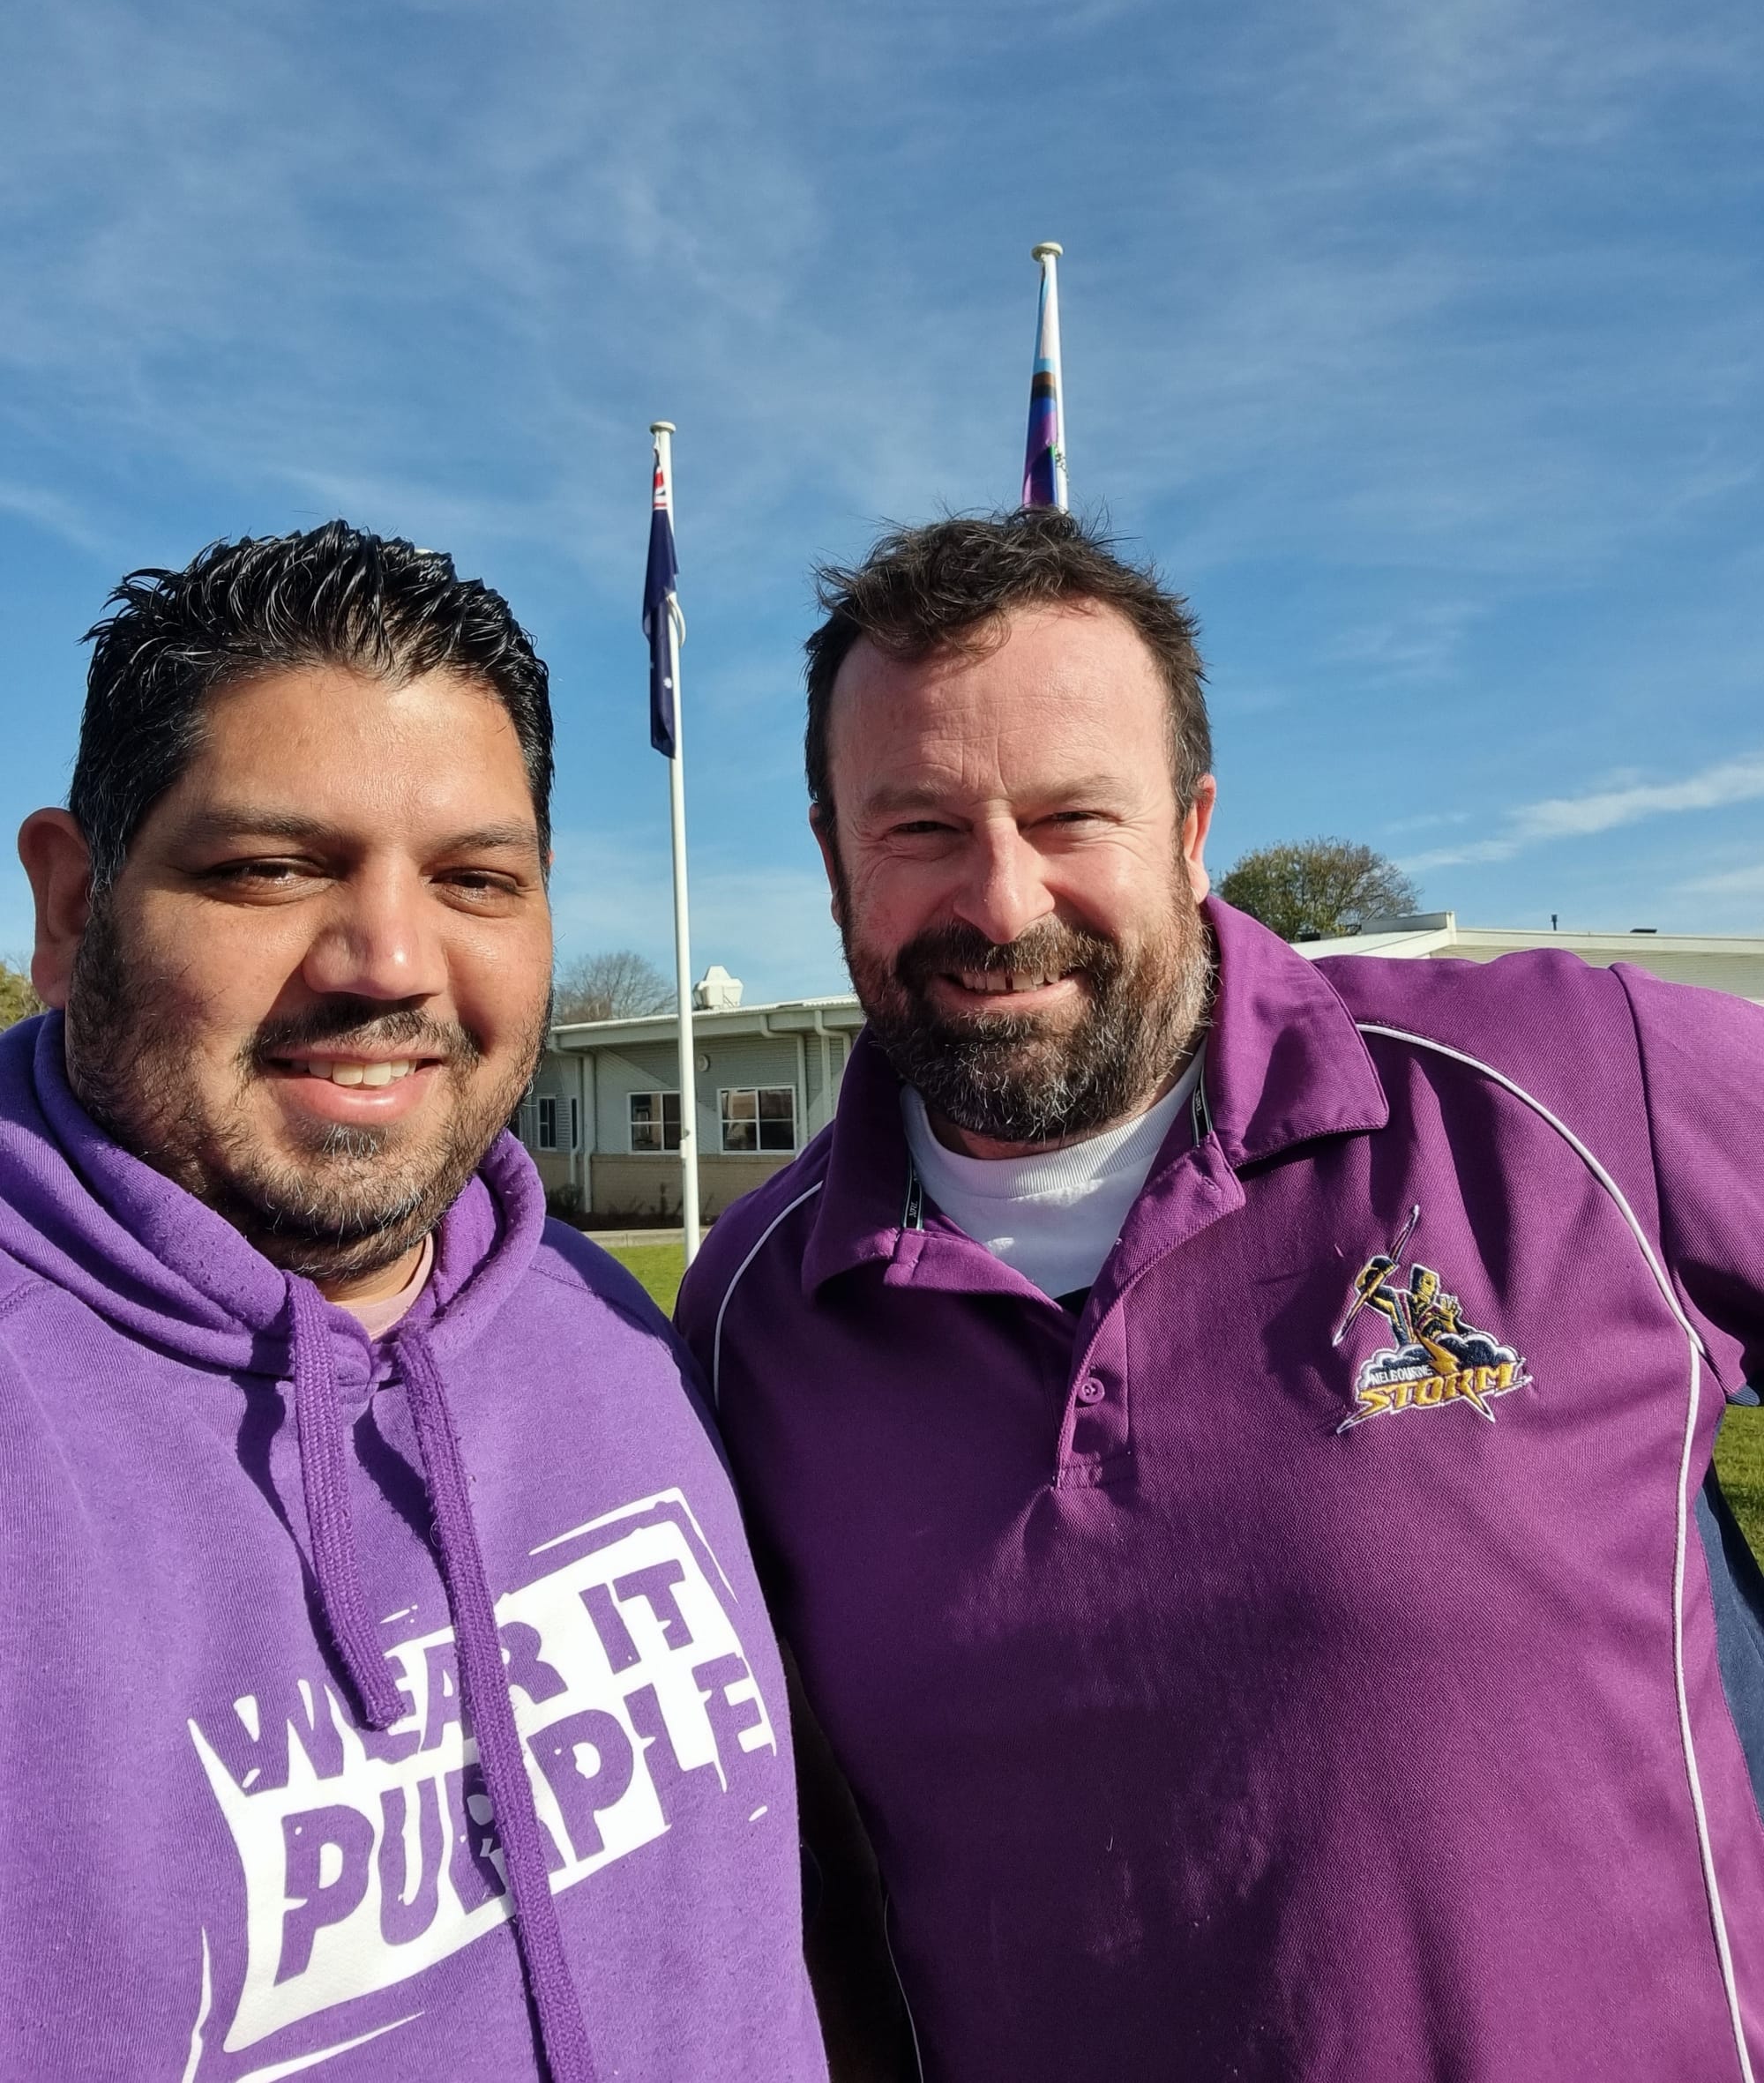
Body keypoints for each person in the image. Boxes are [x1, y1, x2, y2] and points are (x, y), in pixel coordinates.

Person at [676, 506, 1764, 2083]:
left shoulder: (1573, 1082)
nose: (1001, 902)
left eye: (1071, 816)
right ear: (837, 859)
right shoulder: (749, 1320)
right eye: (918, 829)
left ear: (1190, 830)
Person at [3, 523, 827, 2083]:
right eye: (270, 868)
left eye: (475, 880)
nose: (390, 960)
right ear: (69, 907)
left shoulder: (610, 1327)